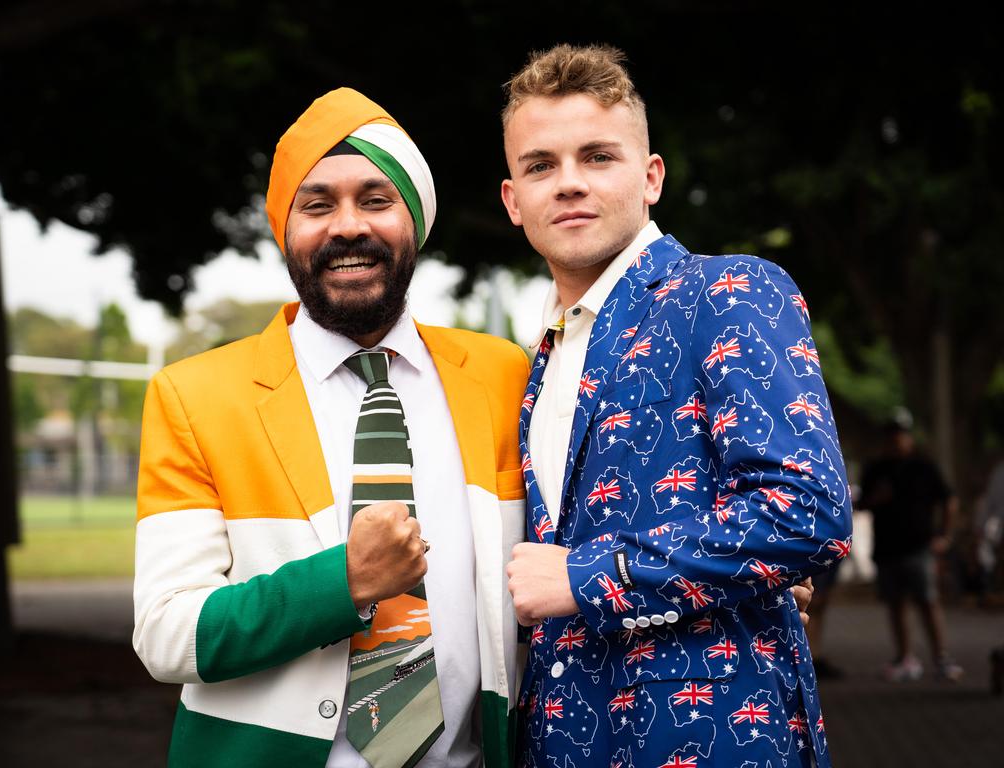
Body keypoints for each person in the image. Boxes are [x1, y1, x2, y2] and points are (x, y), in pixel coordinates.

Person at [132, 88, 530, 767]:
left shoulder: (502, 375)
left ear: (417, 221)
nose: (348, 226)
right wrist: (341, 582)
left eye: (376, 200)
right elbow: (169, 636)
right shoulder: (194, 396)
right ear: (285, 230)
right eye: (317, 205)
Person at [500, 45, 852, 768]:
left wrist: (588, 576)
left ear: (651, 177)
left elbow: (807, 510)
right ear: (512, 200)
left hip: (710, 735)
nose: (568, 183)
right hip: (564, 738)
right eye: (541, 165)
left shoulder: (726, 293)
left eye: (598, 157)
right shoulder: (541, 357)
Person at [859, 412, 963, 682]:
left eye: (901, 436)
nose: (896, 441)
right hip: (887, 547)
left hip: (919, 546)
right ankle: (905, 657)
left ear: (909, 438)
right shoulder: (876, 469)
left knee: (928, 601)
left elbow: (949, 500)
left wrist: (945, 536)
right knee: (896, 604)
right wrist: (876, 499)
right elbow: (860, 505)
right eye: (892, 437)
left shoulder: (924, 467)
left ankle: (941, 657)